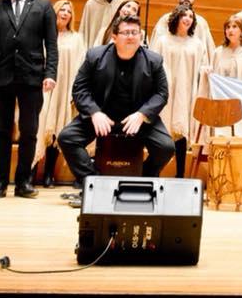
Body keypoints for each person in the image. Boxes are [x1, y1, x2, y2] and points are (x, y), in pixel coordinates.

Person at [57, 14, 175, 187]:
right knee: (67, 138)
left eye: (135, 32)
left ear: (140, 36)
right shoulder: (95, 56)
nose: (131, 37)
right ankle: (93, 181)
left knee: (166, 147)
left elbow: (161, 94)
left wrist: (142, 115)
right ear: (114, 37)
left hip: (137, 119)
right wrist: (94, 112)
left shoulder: (154, 60)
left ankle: (142, 179)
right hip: (103, 116)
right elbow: (80, 89)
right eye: (126, 32)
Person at [0, 0, 58, 199]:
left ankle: (23, 182)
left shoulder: (43, 5)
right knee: (2, 131)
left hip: (31, 75)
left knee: (29, 131)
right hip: (1, 74)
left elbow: (51, 45)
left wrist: (50, 73)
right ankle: (0, 182)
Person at [150, 5, 207, 178]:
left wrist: (206, 70)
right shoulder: (163, 41)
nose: (187, 18)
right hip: (165, 90)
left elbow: (203, 65)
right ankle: (155, 172)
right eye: (184, 15)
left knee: (181, 129)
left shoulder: (197, 44)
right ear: (176, 18)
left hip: (185, 91)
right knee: (163, 129)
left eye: (191, 16)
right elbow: (153, 64)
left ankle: (180, 174)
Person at [34, 0, 86, 187]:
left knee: (57, 129)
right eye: (61, 10)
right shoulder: (42, 34)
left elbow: (81, 65)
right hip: (43, 86)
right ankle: (31, 171)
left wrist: (74, 91)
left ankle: (49, 173)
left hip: (63, 88)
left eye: (68, 11)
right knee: (39, 126)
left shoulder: (76, 38)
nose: (65, 13)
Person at [149, 0, 216, 59]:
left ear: (194, 0)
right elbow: (156, 44)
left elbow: (209, 48)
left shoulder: (201, 22)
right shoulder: (166, 19)